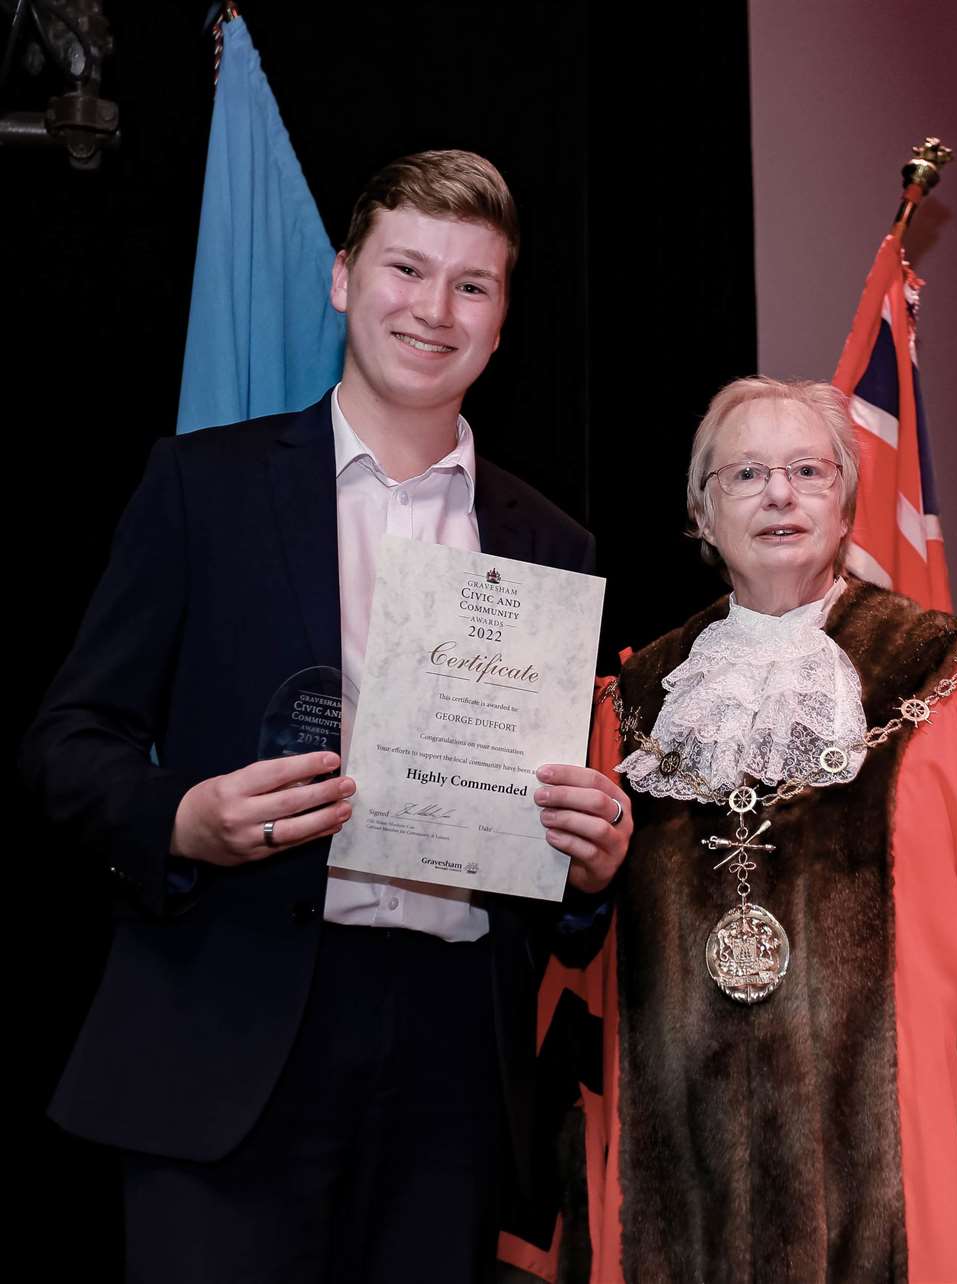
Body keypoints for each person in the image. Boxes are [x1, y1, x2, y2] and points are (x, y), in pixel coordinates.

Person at [21, 150, 631, 1284]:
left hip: (454, 1067)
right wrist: (180, 819)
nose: (434, 309)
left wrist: (589, 877)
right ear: (344, 278)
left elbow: (547, 872)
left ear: (502, 322)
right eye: (406, 268)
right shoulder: (204, 487)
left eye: (473, 286)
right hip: (229, 1031)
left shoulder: (554, 548)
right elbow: (69, 743)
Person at [578, 378, 957, 1282]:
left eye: (808, 470)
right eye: (747, 474)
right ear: (701, 510)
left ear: (846, 502)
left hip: (898, 1174)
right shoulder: (634, 704)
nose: (780, 495)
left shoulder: (945, 680)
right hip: (675, 1171)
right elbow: (587, 964)